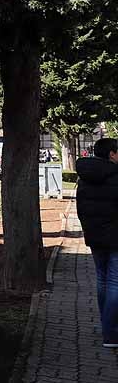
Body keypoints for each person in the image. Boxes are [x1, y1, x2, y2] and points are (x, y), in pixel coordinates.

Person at [76, 137, 118, 348]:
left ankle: (106, 324)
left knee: (103, 281)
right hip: (115, 238)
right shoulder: (115, 176)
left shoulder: (84, 178)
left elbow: (81, 209)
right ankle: (111, 334)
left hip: (95, 237)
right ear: (112, 154)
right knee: (114, 283)